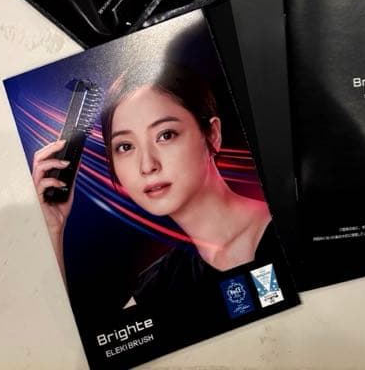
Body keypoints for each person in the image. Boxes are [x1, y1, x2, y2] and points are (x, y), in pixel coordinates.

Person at [32, 61, 273, 310]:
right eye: (125, 146)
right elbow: (73, 335)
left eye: (165, 135)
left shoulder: (282, 227)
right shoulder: (161, 284)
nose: (147, 165)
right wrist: (53, 228)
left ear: (212, 134)